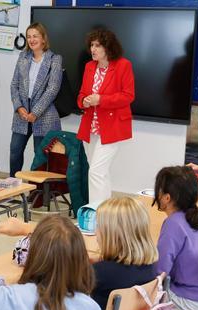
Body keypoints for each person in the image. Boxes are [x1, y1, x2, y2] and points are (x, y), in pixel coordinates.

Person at [82, 197, 158, 310]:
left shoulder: (100, 273)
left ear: (111, 235)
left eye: (99, 226)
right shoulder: (151, 265)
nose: (96, 231)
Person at [76, 28, 134, 205]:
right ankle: (106, 215)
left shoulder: (123, 65)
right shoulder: (89, 67)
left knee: (95, 172)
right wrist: (83, 101)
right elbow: (82, 94)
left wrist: (101, 99)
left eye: (98, 45)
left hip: (113, 127)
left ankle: (94, 215)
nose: (93, 49)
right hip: (91, 127)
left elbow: (128, 95)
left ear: (108, 47)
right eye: (92, 45)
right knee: (101, 172)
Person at [154, 166, 198, 310]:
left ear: (167, 198)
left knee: (132, 294)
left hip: (191, 302)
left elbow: (160, 272)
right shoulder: (196, 218)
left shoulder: (173, 224)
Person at [8, 23, 62, 178]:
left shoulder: (54, 59)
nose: (31, 40)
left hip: (44, 116)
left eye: (35, 36)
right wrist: (19, 107)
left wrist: (36, 112)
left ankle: (37, 195)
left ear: (43, 39)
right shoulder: (23, 57)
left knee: (41, 158)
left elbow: (52, 90)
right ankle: (14, 187)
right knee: (15, 152)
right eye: (29, 36)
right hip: (22, 114)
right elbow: (14, 85)